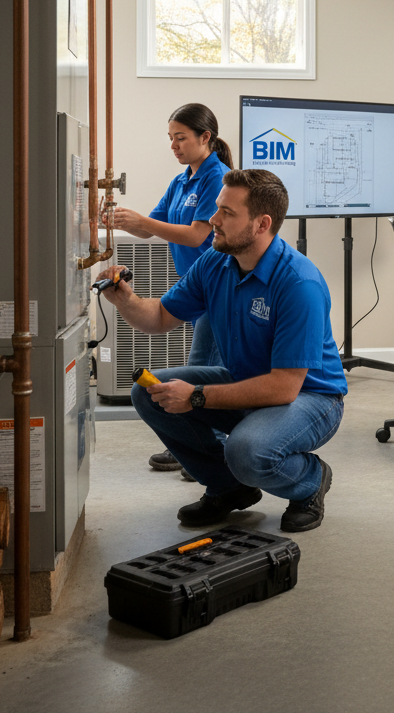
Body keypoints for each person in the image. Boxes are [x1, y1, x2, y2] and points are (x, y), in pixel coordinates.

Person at [97, 168, 347, 530]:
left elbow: (284, 387)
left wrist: (197, 396)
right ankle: (229, 488)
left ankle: (309, 480)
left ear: (262, 224)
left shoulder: (298, 283)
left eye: (227, 213)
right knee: (147, 391)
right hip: (247, 380)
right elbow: (161, 317)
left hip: (311, 398)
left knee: (245, 450)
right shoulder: (216, 262)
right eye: (217, 208)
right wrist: (125, 299)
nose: (212, 219)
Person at [106, 103, 231, 473]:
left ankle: (207, 450)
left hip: (217, 286)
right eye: (170, 139)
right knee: (204, 370)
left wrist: (142, 220)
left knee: (199, 373)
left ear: (205, 137)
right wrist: (122, 219)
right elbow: (149, 228)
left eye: (181, 138)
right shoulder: (181, 181)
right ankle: (197, 446)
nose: (174, 146)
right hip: (195, 290)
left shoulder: (217, 178)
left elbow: (196, 235)